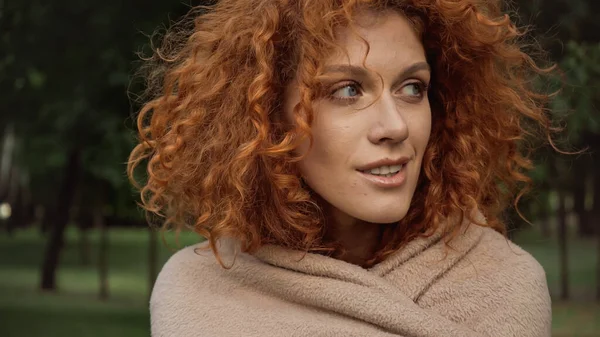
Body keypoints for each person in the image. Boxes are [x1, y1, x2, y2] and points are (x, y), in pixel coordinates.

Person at [128, 0, 555, 336]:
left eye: (412, 88)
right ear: (267, 115)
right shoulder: (198, 291)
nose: (395, 126)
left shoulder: (503, 285)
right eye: (348, 90)